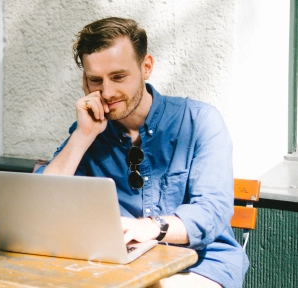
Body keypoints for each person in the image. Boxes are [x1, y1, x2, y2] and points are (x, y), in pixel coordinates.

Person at [35, 17, 248, 288]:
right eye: (95, 80)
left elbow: (212, 211)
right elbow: (44, 202)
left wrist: (150, 227)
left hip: (201, 264)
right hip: (122, 266)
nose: (107, 92)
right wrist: (83, 136)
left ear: (146, 67)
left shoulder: (199, 122)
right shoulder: (89, 133)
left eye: (118, 77)